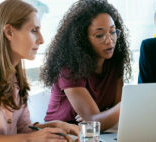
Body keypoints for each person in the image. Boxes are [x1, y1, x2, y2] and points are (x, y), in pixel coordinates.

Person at [0, 0, 78, 141]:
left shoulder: (15, 74)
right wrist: (30, 138)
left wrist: (55, 126)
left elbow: (23, 129)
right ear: (9, 32)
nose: (42, 40)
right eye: (33, 30)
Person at [40, 0, 131, 131]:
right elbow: (94, 123)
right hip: (63, 133)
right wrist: (130, 103)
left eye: (112, 32)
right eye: (99, 35)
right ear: (82, 39)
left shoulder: (115, 61)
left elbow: (115, 113)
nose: (110, 40)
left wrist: (100, 116)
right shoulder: (70, 66)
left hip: (101, 132)